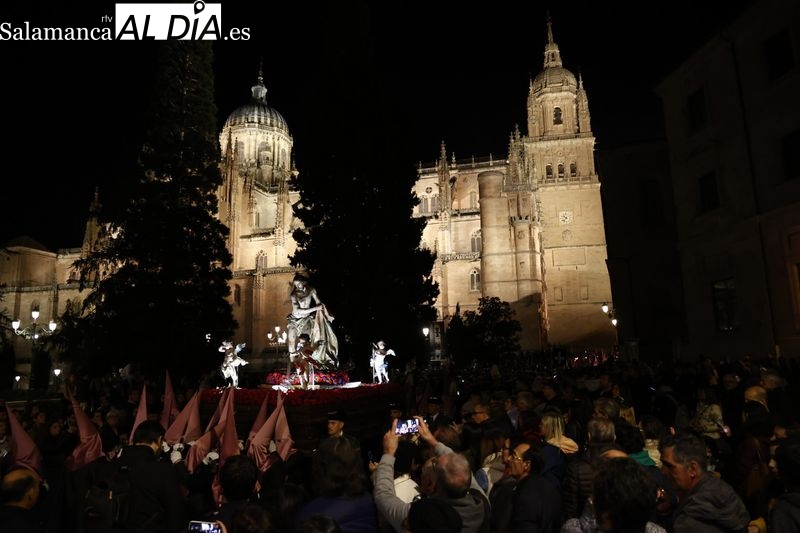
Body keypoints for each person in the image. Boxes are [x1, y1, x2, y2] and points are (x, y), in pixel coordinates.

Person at [659, 432, 749, 532]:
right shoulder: (722, 489)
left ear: (692, 469)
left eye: (669, 466)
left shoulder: (687, 523)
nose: (663, 471)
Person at [286, 273, 339, 368]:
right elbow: (297, 310)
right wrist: (315, 309)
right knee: (291, 339)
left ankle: (306, 363)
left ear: (303, 283)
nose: (297, 286)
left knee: (305, 340)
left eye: (298, 284)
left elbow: (319, 303)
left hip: (306, 319)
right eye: (295, 285)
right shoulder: (294, 295)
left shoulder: (311, 290)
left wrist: (323, 312)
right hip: (295, 319)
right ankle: (292, 363)